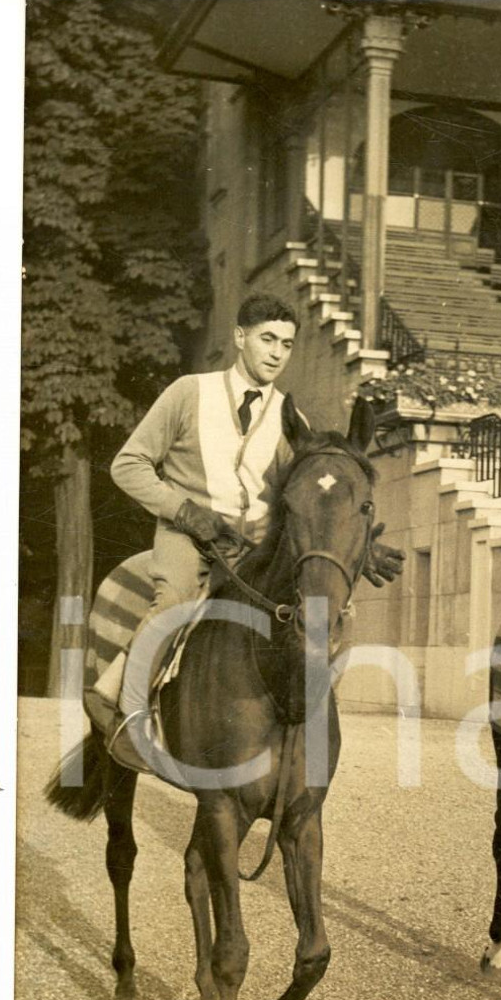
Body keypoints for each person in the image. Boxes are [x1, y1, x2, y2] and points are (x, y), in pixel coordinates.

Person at [96, 291, 402, 770]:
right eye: (267, 339)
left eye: (287, 343)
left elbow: (311, 499)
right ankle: (129, 715)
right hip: (187, 535)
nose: (277, 353)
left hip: (249, 545)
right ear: (240, 338)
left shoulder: (290, 418)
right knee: (173, 600)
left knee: (326, 614)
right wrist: (183, 510)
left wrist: (363, 547)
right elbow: (128, 464)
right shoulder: (188, 392)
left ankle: (297, 734)